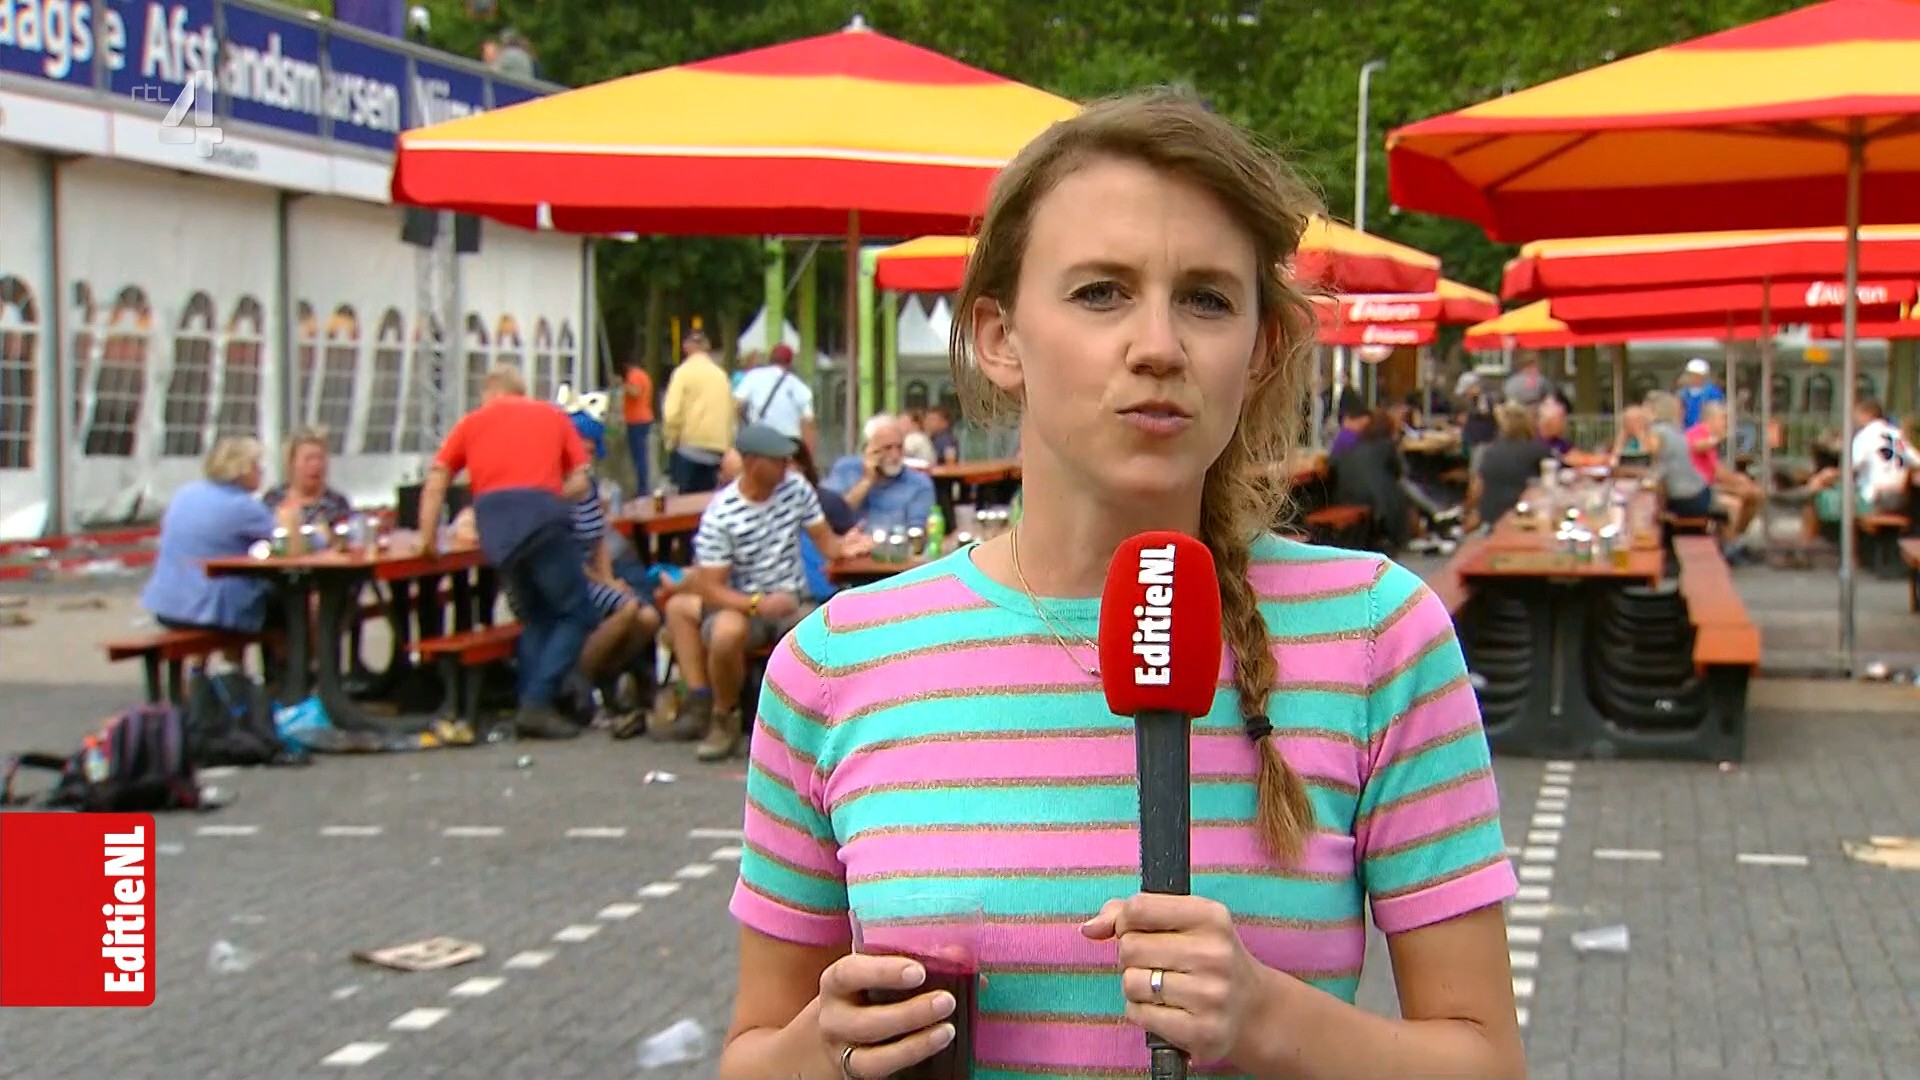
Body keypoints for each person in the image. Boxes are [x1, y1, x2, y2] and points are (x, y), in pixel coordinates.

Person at [717, 90, 1523, 1080]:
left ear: (1262, 348)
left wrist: (1273, 1019)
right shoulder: (836, 664)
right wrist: (821, 1050)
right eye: (1101, 292)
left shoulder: (1376, 638)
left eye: (1207, 299)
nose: (1158, 347)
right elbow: (753, 1057)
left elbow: (1488, 1061)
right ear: (1000, 338)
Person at [661, 424, 872, 762]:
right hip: (741, 603)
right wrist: (757, 604)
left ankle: (821, 727)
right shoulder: (723, 513)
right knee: (726, 633)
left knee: (825, 630)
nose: (785, 466)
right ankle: (724, 716)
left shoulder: (795, 489)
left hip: (793, 598)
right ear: (751, 463)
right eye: (777, 460)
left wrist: (847, 546)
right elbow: (710, 587)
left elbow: (825, 542)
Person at [418, 364, 593, 740]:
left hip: (496, 528)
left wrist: (427, 537)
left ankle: (531, 701)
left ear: (489, 392)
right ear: (521, 390)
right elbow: (581, 479)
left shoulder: (470, 422)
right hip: (544, 522)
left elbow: (436, 479)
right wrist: (549, 497)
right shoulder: (553, 416)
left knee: (535, 616)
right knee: (577, 612)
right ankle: (537, 701)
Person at [141, 436, 283, 638]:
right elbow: (288, 539)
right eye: (256, 465)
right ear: (242, 469)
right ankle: (292, 657)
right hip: (209, 610)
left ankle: (222, 658)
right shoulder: (242, 505)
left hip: (166, 605)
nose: (261, 471)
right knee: (286, 608)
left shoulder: (186, 493)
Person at [822, 414, 936, 531]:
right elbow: (829, 518)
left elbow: (917, 530)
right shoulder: (846, 469)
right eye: (887, 448)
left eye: (899, 447)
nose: (895, 455)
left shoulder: (919, 484)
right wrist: (866, 481)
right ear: (868, 448)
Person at [661, 329, 735, 493]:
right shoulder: (721, 375)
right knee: (709, 500)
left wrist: (671, 441)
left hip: (689, 448)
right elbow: (731, 413)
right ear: (707, 347)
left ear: (685, 347)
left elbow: (671, 413)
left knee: (686, 502)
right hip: (717, 450)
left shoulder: (682, 373)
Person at [1465, 402, 1553, 531]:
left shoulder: (1488, 451)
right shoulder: (1539, 450)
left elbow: (1476, 489)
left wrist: (1467, 511)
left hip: (1490, 521)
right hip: (1524, 520)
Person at [261, 427, 352, 532]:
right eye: (308, 459)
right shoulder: (273, 498)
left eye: (320, 458)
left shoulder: (337, 503)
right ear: (291, 463)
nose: (316, 465)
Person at [733, 343, 818, 452]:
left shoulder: (753, 376)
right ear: (790, 363)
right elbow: (809, 421)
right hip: (788, 443)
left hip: (759, 439)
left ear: (770, 359)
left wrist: (738, 430)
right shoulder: (799, 386)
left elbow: (736, 404)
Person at [622, 357, 655, 491]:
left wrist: (622, 385)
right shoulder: (644, 375)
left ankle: (643, 488)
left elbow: (635, 392)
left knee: (639, 455)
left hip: (636, 420)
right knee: (641, 454)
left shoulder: (633, 375)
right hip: (644, 417)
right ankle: (643, 486)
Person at [1677, 357, 1725, 429]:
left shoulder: (1713, 393)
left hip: (1707, 429)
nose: (1692, 377)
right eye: (1690, 374)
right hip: (1687, 430)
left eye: (1696, 375)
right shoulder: (1683, 393)